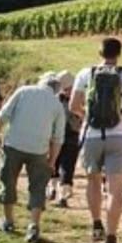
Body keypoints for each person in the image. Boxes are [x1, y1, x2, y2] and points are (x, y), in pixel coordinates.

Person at [70, 36, 122, 243]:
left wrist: (87, 118)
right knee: (115, 189)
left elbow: (74, 105)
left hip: (92, 135)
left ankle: (96, 225)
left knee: (93, 181)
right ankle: (111, 240)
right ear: (119, 53)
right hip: (119, 135)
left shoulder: (86, 73)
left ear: (99, 53)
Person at [0, 72, 66, 243]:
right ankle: (33, 225)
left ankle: (8, 221)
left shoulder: (23, 91)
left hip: (14, 145)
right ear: (56, 89)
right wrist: (52, 161)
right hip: (39, 150)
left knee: (8, 182)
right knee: (38, 187)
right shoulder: (57, 104)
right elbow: (58, 138)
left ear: (41, 82)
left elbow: (3, 115)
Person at [47, 71, 82, 208]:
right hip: (60, 136)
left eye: (70, 88)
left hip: (69, 136)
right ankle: (53, 190)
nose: (68, 91)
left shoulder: (56, 99)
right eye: (66, 89)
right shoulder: (77, 99)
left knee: (66, 166)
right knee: (54, 163)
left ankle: (62, 195)